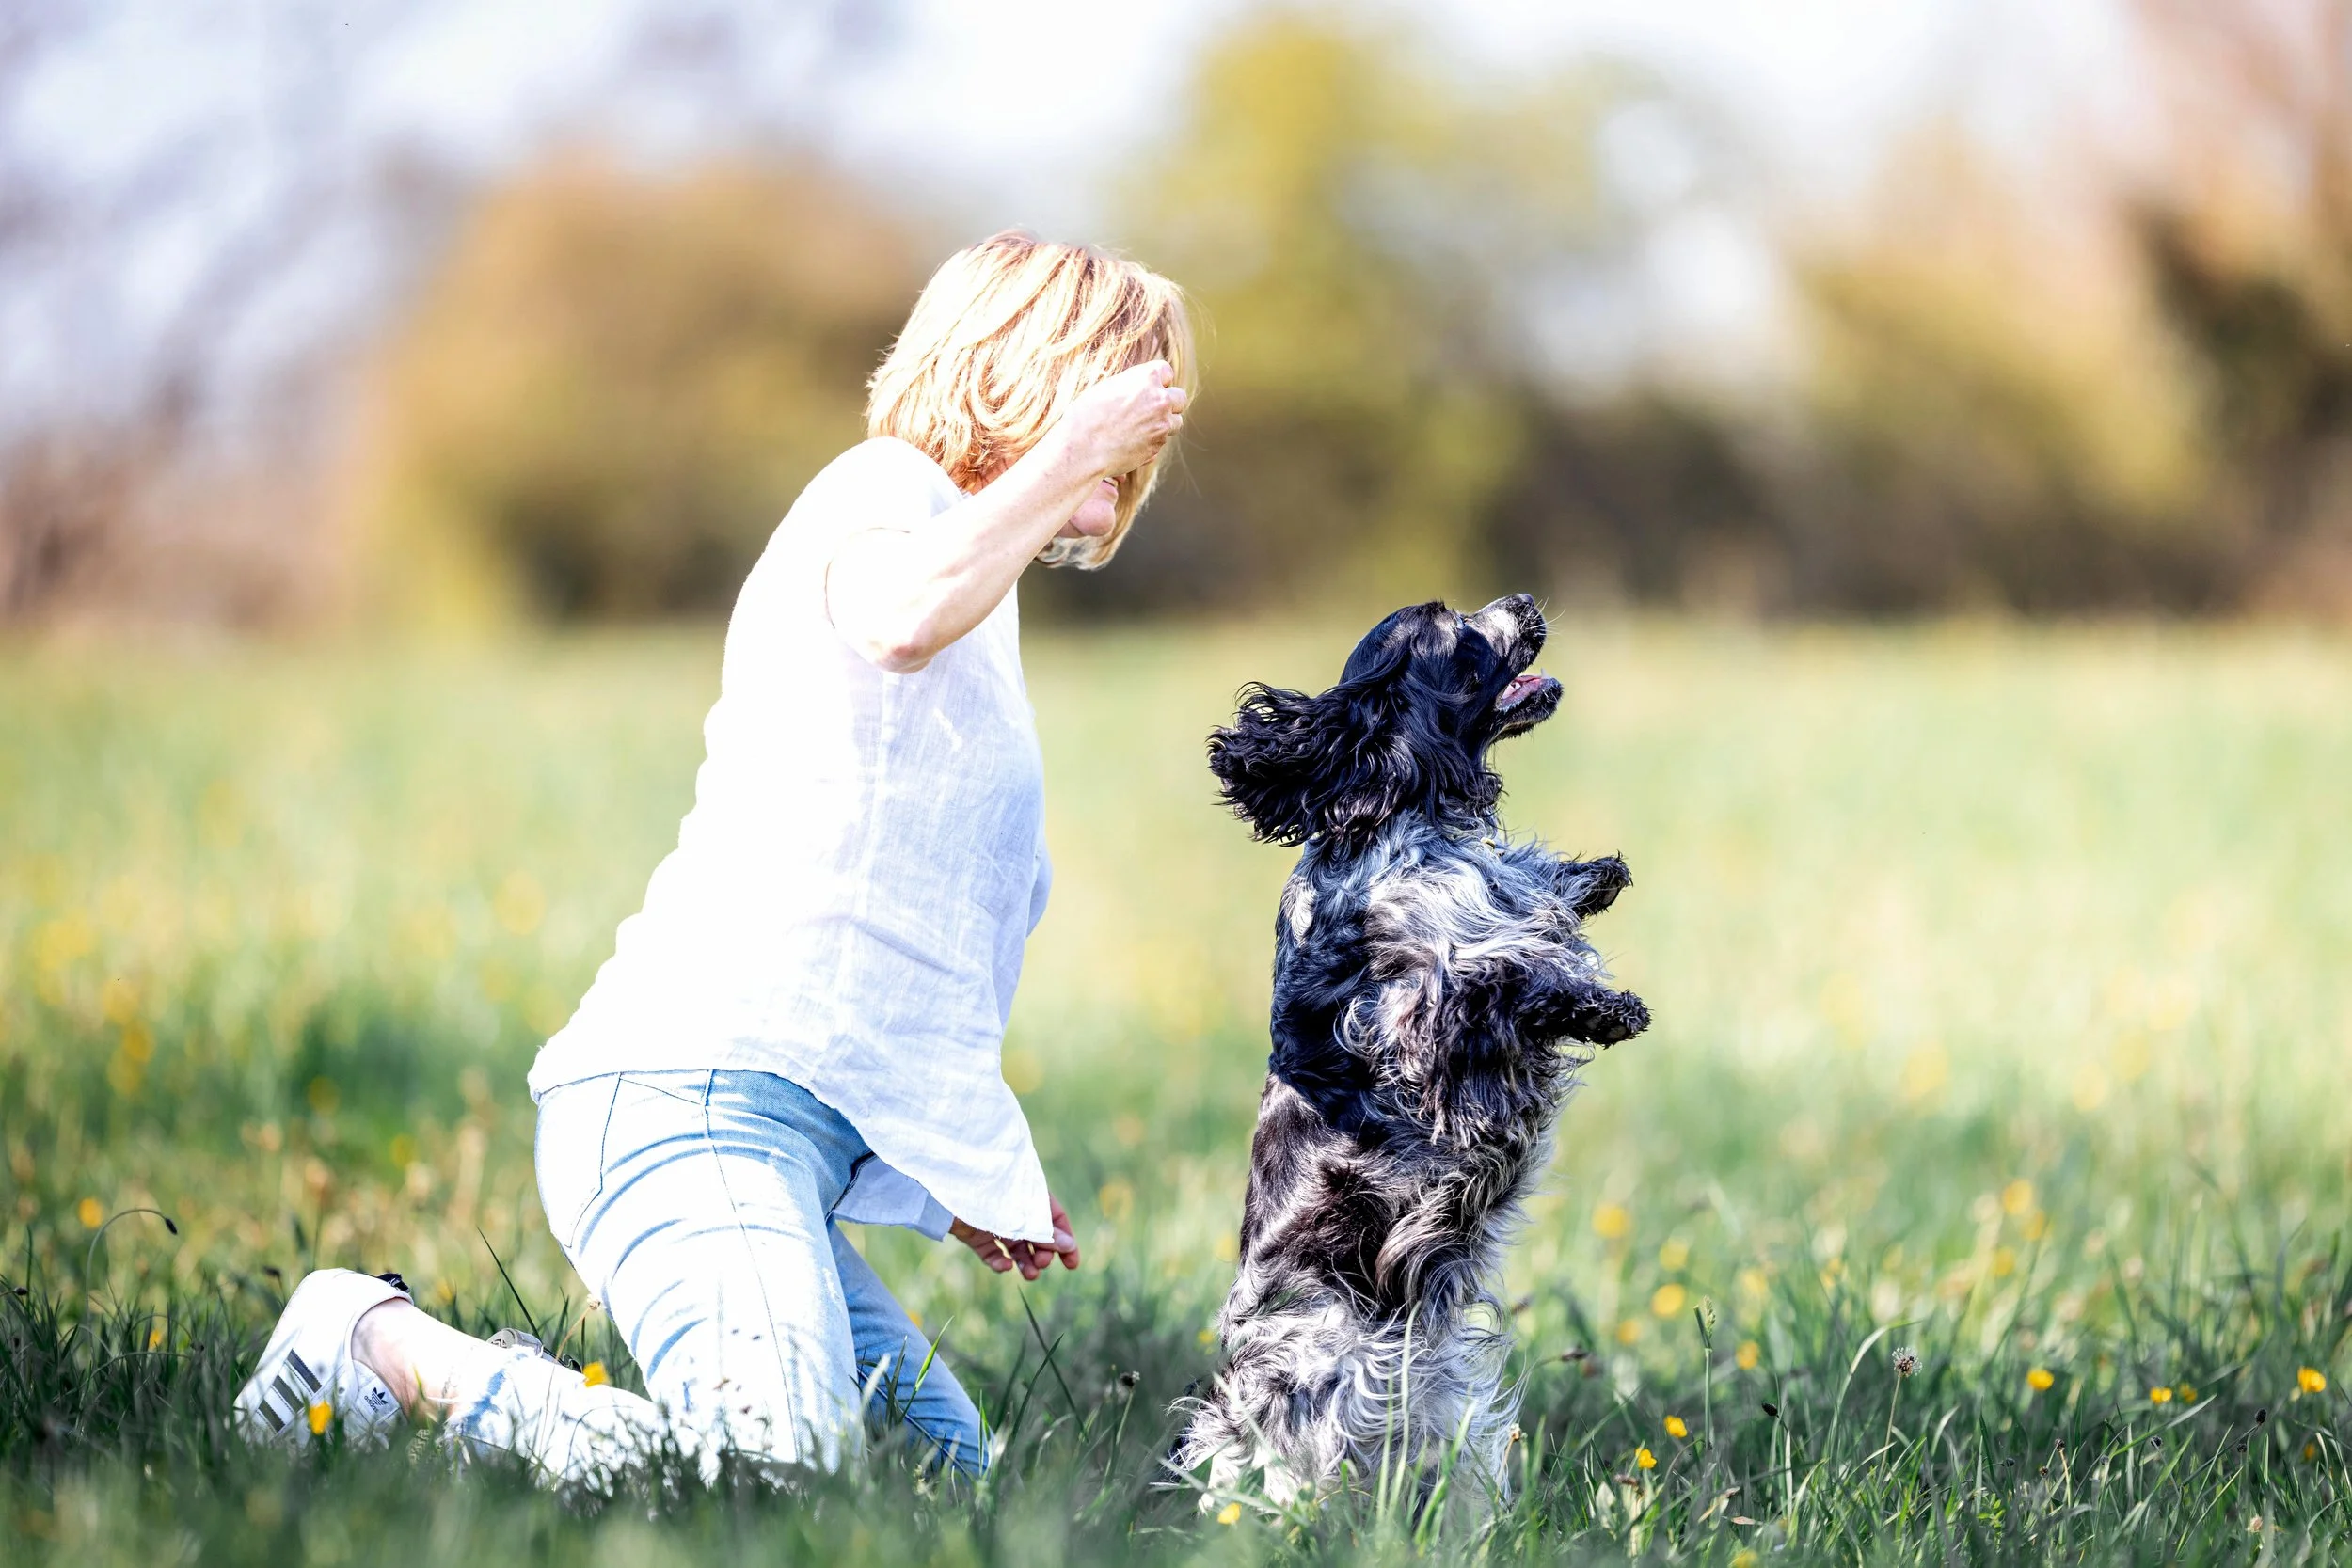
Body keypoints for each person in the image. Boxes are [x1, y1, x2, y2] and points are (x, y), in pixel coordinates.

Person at [232, 231, 1192, 1483]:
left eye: (1140, 443)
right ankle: (376, 1341)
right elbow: (897, 620)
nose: (1128, 460)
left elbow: (894, 916)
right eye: (1113, 416)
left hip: (786, 1126)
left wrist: (952, 1156)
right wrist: (1065, 454)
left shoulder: (980, 599)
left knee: (936, 1487)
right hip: (688, 1100)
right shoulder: (881, 494)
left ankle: (539, 1410)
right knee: (769, 1483)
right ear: (1026, 381)